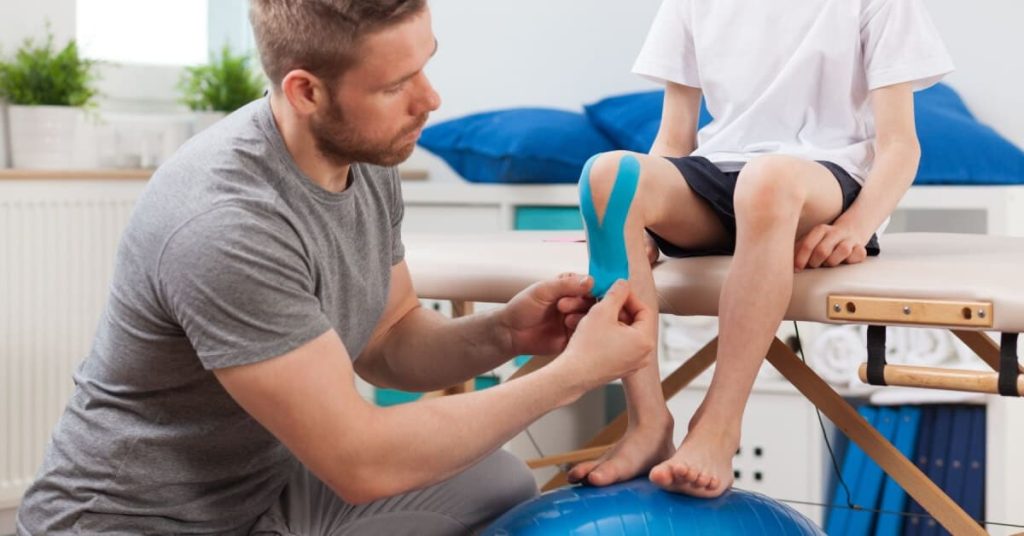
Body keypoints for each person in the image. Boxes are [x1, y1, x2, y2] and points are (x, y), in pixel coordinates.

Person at [16, 1, 657, 534]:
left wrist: (504, 335)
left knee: (496, 483)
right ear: (306, 91)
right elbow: (361, 462)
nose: (430, 100)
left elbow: (387, 338)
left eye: (425, 65)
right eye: (394, 85)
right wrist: (570, 377)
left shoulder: (368, 157)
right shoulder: (225, 223)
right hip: (134, 522)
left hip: (260, 497)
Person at [567, 0, 953, 498]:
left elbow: (900, 145)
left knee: (766, 178)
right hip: (721, 175)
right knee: (607, 176)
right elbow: (674, 138)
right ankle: (646, 424)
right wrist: (638, 222)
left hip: (821, 179)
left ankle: (720, 422)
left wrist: (857, 227)